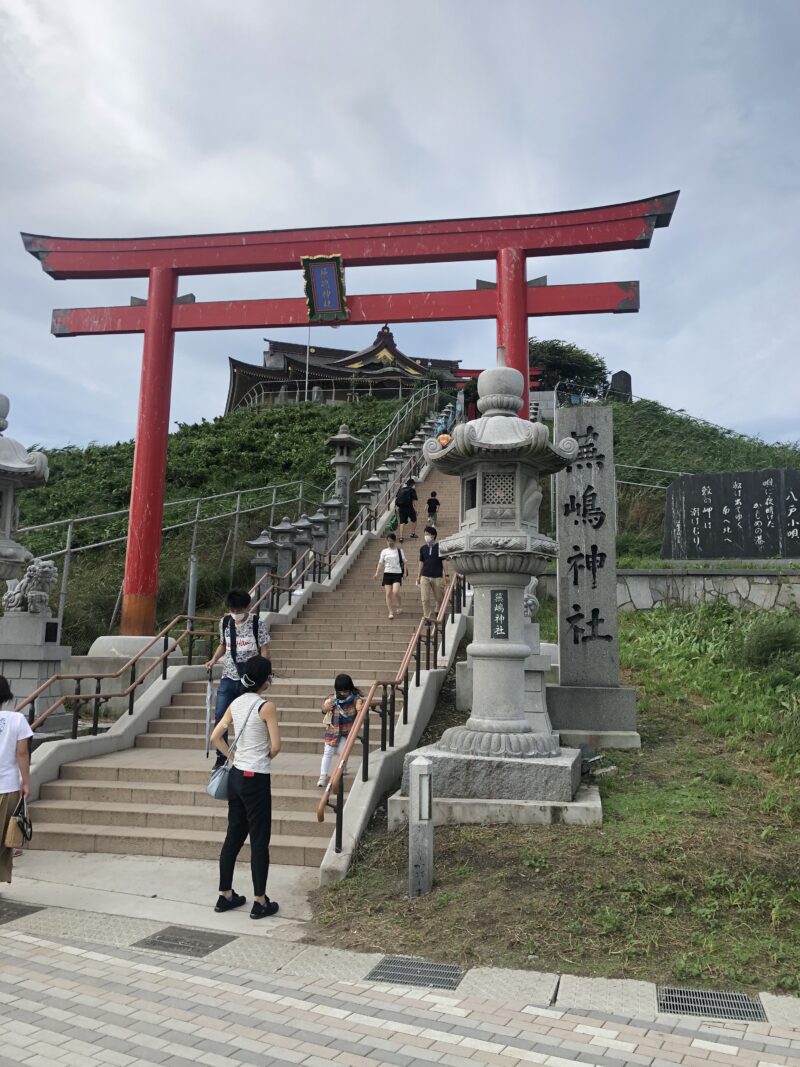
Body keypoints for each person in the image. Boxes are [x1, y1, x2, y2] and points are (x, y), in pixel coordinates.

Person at [211, 655, 281, 920]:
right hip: (256, 777)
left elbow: (215, 737)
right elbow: (276, 746)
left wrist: (234, 757)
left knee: (233, 836)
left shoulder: (236, 703)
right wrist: (262, 758)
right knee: (259, 840)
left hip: (237, 775)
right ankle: (260, 901)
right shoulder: (266, 707)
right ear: (265, 680)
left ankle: (225, 894)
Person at [205, 590, 270, 768]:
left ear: (247, 607)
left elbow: (264, 649)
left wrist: (265, 673)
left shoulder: (257, 623)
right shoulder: (225, 622)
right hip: (228, 676)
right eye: (233, 609)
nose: (235, 613)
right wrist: (213, 660)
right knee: (220, 715)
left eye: (239, 609)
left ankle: (247, 752)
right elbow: (223, 644)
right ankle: (222, 755)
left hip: (249, 679)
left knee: (249, 718)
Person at [0, 676, 32, 885]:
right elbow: (22, 753)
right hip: (7, 787)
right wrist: (26, 782)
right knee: (4, 839)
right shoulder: (16, 719)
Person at [317, 673, 364, 788]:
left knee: (342, 752)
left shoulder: (354, 698)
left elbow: (359, 701)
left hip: (345, 732)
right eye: (341, 691)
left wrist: (359, 705)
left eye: (346, 691)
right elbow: (324, 707)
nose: (343, 693)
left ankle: (343, 767)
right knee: (327, 752)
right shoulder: (332, 698)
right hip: (332, 731)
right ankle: (323, 776)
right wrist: (325, 708)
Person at [416, 526, 449, 622]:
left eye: (427, 534)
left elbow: (444, 561)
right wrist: (418, 576)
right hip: (425, 576)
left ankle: (438, 610)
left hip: (437, 576)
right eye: (425, 534)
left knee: (439, 597)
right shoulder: (423, 548)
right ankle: (427, 617)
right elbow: (421, 562)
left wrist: (446, 575)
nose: (425, 536)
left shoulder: (440, 547)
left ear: (433, 535)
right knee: (425, 599)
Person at [374, 532, 406, 620]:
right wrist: (377, 573)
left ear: (395, 541)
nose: (390, 542)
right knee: (388, 593)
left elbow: (404, 562)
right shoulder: (384, 551)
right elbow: (380, 563)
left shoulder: (399, 550)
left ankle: (399, 605)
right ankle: (390, 612)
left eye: (391, 541)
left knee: (395, 591)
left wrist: (404, 573)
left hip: (397, 573)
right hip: (387, 573)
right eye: (388, 541)